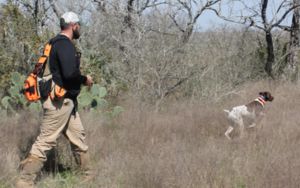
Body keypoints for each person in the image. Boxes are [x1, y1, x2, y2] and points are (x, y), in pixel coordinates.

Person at [16, 12, 94, 187]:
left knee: (78, 139)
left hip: (65, 102)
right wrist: (85, 79)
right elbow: (69, 74)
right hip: (60, 102)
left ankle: (88, 178)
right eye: (78, 25)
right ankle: (25, 182)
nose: (79, 27)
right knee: (46, 140)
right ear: (73, 26)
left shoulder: (53, 43)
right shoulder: (66, 45)